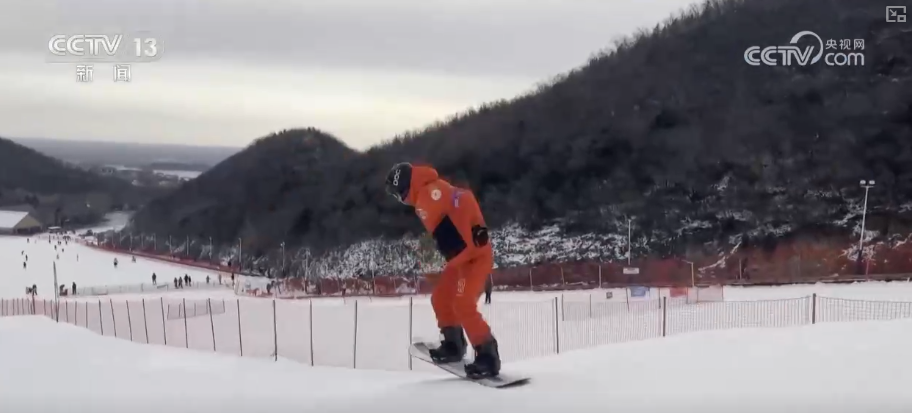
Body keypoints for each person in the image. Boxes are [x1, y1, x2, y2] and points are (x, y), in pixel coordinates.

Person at [384, 162, 500, 378]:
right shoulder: (430, 192)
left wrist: (469, 237)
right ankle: (453, 343)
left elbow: (461, 207)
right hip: (460, 259)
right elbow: (463, 202)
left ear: (403, 187)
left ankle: (488, 356)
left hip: (474, 259)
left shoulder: (430, 195)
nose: (399, 199)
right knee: (440, 299)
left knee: (463, 304)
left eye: (397, 194)